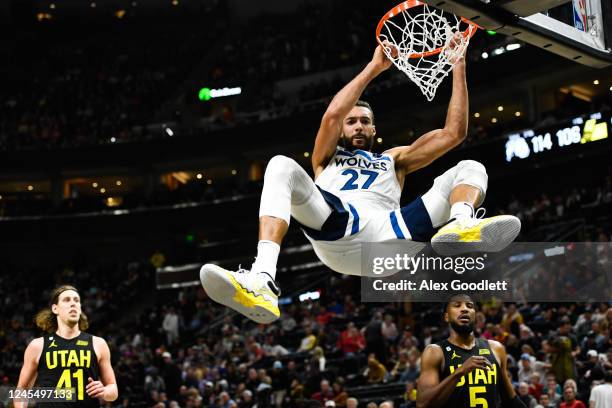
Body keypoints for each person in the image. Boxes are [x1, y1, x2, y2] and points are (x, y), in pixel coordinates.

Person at [200, 36, 521, 324]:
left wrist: (459, 66)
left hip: (390, 237)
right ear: (343, 129)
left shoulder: (394, 160)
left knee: (470, 166)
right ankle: (262, 280)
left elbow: (454, 133)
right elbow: (330, 116)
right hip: (336, 229)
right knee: (281, 165)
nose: (357, 126)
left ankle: (461, 225)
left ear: (373, 130)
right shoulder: (324, 158)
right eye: (351, 121)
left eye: (364, 121)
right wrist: (373, 68)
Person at [15, 285, 118, 407]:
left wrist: (105, 391)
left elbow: (113, 390)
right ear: (55, 308)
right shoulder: (37, 346)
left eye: (76, 300)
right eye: (67, 300)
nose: (73, 303)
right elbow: (22, 390)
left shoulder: (98, 344)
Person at [416, 294, 525, 408]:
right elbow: (423, 404)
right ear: (446, 317)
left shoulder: (496, 348)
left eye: (469, 306)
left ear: (475, 315)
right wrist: (460, 372)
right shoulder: (435, 352)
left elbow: (510, 399)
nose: (464, 309)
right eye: (457, 305)